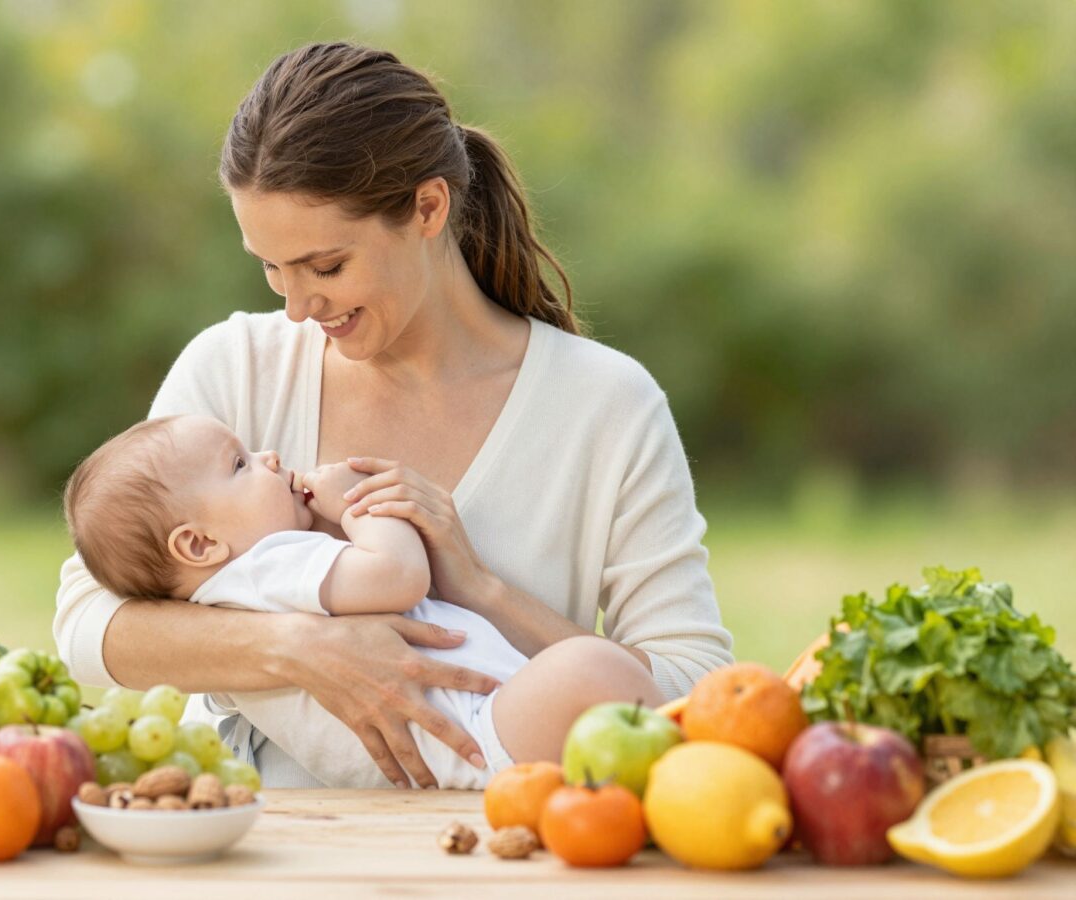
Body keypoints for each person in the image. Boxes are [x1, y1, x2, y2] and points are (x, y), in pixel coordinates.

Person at [54, 41, 733, 789]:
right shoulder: (237, 364)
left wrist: (483, 591)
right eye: (271, 267)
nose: (298, 307)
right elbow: (88, 622)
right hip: (259, 836)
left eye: (326, 266)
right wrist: (300, 649)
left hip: (491, 831)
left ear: (428, 207)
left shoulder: (605, 406)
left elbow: (696, 686)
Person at [62, 413, 664, 788]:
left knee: (605, 690)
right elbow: (398, 577)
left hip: (478, 738)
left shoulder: (238, 594)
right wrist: (360, 505)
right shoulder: (267, 568)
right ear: (199, 544)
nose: (270, 457)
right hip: (479, 735)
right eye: (241, 464)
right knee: (595, 668)